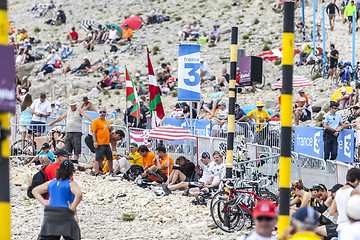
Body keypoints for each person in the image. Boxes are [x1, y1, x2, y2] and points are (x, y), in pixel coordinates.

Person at [32, 160, 82, 240]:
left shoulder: (51, 182)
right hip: (65, 214)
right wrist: (72, 209)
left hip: (50, 215)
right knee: (74, 235)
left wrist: (46, 204)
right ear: (71, 172)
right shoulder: (70, 183)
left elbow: (35, 191)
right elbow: (79, 194)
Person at [49, 99, 93, 164]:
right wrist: (53, 122)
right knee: (68, 148)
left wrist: (92, 121)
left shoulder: (79, 110)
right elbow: (61, 117)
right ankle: (68, 162)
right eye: (71, 105)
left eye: (73, 105)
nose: (72, 106)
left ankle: (75, 162)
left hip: (76, 132)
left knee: (76, 148)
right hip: (69, 132)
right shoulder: (68, 111)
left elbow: (86, 115)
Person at [330, 168, 360, 235]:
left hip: (340, 227)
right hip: (352, 228)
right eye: (359, 181)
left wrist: (342, 213)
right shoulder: (353, 192)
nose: (358, 184)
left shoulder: (338, 192)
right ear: (356, 180)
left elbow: (331, 212)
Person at [91, 107, 114, 176]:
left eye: (104, 112)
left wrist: (110, 130)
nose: (102, 113)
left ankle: (111, 172)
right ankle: (97, 173)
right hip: (100, 143)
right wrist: (95, 141)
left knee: (110, 158)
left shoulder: (106, 121)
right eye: (101, 112)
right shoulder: (96, 121)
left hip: (106, 143)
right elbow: (93, 132)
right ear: (99, 113)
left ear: (106, 113)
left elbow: (107, 131)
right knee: (98, 159)